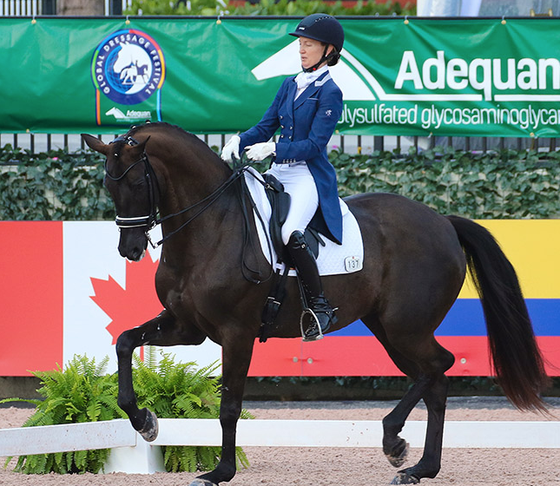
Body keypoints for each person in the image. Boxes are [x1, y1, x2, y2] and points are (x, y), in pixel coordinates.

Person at [221, 14, 344, 341]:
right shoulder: (290, 84)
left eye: (309, 44)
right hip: (277, 173)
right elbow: (265, 126)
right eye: (300, 44)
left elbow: (316, 145)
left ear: (328, 50)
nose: (301, 50)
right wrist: (240, 140)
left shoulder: (330, 92)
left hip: (306, 177)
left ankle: (320, 306)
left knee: (290, 231)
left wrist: (275, 149)